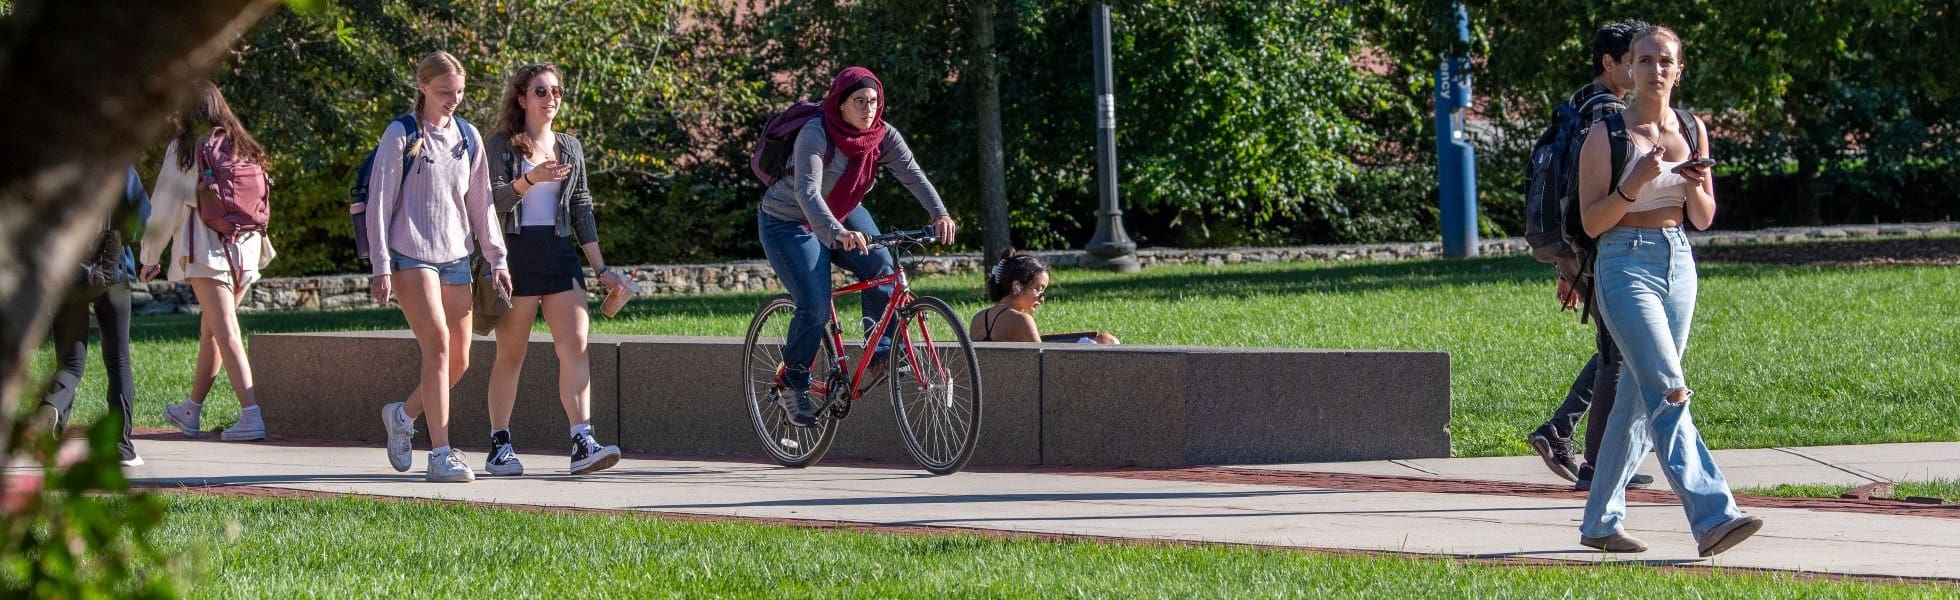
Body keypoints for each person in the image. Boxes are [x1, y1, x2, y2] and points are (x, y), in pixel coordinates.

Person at [1573, 25, 1761, 556]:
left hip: (1679, 260)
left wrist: (1698, 184)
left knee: (1638, 399)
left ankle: (1601, 522)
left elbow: (1702, 217)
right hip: (1623, 263)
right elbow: (1591, 222)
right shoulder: (1604, 135)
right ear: (1627, 69)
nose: (1656, 69)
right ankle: (1713, 514)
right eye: (1645, 59)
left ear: (1679, 71)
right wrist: (1634, 182)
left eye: (1666, 61)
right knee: (1668, 388)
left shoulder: (1692, 128)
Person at [757, 66, 957, 428]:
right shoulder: (816, 133)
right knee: (815, 305)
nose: (868, 109)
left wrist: (939, 213)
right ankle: (793, 383)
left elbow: (912, 174)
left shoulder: (882, 135)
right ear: (841, 104)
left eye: (874, 101)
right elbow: (807, 192)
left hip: (843, 211)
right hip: (788, 222)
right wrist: (836, 232)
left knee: (883, 269)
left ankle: (880, 352)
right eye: (859, 102)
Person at [369, 51, 511, 483]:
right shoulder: (402, 132)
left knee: (460, 362)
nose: (454, 99)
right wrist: (381, 265)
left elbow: (482, 204)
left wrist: (497, 257)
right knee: (437, 347)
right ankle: (441, 453)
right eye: (446, 91)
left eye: (460, 92)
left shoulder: (467, 137)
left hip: (455, 256)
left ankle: (402, 415)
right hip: (411, 253)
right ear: (423, 87)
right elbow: (379, 200)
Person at [1527, 19, 1657, 492]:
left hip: (1574, 244)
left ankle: (1565, 436)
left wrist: (1568, 263)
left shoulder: (1576, 104)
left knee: (1616, 344)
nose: (1644, 71)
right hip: (1598, 243)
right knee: (1618, 349)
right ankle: (1595, 462)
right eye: (1635, 60)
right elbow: (1590, 192)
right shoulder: (1606, 115)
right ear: (1611, 63)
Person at [481, 63, 627, 476]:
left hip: (560, 252)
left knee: (576, 344)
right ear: (522, 98)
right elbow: (490, 204)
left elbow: (581, 209)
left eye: (557, 92)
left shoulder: (570, 147)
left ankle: (582, 439)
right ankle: (500, 444)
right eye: (541, 92)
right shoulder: (502, 145)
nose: (551, 99)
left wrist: (602, 270)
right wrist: (531, 179)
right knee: (511, 354)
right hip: (517, 254)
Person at [142, 82, 274, 443]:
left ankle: (251, 414)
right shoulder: (243, 143)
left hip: (208, 251)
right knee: (211, 329)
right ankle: (192, 409)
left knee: (226, 331)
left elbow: (163, 209)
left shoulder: (185, 149)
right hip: (246, 250)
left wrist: (149, 257)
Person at [37, 167, 150, 466]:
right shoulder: (121, 164)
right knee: (118, 360)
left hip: (68, 275)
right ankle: (123, 448)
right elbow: (141, 217)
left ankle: (52, 409)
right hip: (114, 273)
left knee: (70, 363)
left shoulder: (60, 161)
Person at [970, 250, 1118, 345]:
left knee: (1103, 339)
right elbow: (1043, 363)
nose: (1042, 298)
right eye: (1038, 289)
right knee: (1108, 341)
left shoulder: (978, 319)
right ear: (1017, 286)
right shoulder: (1022, 320)